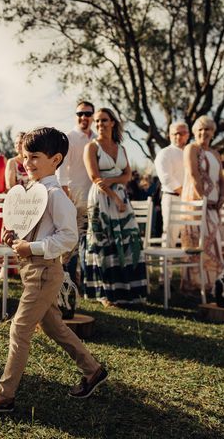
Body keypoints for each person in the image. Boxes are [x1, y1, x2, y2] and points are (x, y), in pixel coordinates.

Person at [0, 127, 107, 414]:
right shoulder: (32, 193)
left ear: (55, 160)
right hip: (30, 269)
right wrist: (13, 237)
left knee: (19, 329)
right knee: (54, 327)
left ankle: (4, 396)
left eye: (35, 157)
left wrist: (35, 248)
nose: (27, 163)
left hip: (45, 271)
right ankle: (93, 370)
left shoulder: (55, 195)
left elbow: (68, 237)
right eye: (25, 157)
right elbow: (26, 229)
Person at [83, 108, 147, 307]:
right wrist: (115, 197)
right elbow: (95, 178)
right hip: (102, 199)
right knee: (105, 241)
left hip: (120, 196)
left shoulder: (121, 147)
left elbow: (128, 175)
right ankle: (106, 293)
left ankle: (129, 291)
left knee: (128, 239)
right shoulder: (91, 147)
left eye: (104, 120)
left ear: (112, 122)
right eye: (98, 121)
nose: (100, 124)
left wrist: (113, 181)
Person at [180, 115, 224, 293]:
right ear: (194, 132)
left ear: (213, 133)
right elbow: (193, 175)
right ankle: (195, 285)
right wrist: (202, 201)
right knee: (199, 243)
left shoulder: (215, 154)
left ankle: (213, 285)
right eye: (199, 129)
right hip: (195, 204)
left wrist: (221, 198)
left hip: (214, 205)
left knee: (215, 242)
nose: (203, 133)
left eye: (207, 129)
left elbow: (221, 179)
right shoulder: (191, 148)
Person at [56, 101, 96, 285]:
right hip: (74, 196)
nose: (84, 117)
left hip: (95, 197)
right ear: (76, 115)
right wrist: (65, 193)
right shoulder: (69, 137)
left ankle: (88, 281)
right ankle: (70, 280)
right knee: (72, 241)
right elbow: (61, 169)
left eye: (88, 114)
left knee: (91, 240)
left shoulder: (96, 138)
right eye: (80, 113)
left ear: (93, 116)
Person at [154, 122, 190, 245]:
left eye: (183, 133)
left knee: (189, 233)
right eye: (176, 133)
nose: (179, 136)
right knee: (171, 233)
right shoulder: (164, 153)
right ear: (170, 135)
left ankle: (187, 262)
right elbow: (166, 177)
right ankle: (165, 262)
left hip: (190, 200)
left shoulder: (191, 153)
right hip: (172, 197)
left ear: (188, 135)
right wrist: (184, 193)